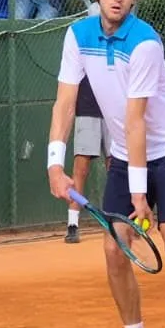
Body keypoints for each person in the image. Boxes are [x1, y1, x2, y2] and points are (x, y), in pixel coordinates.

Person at [47, 0, 165, 328]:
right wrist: (54, 164)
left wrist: (138, 195)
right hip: (124, 151)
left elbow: (136, 121)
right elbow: (65, 103)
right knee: (114, 248)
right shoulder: (77, 35)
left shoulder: (145, 43)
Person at [65, 77, 108, 245]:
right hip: (86, 108)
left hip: (113, 110)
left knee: (116, 167)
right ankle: (72, 224)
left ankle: (118, 221)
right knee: (80, 169)